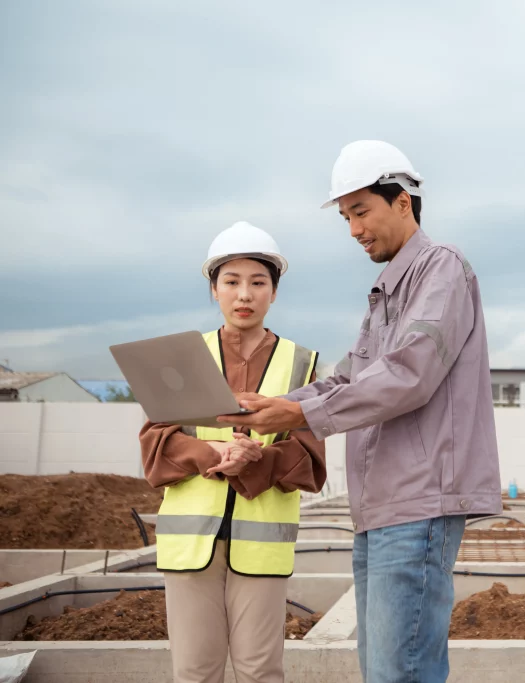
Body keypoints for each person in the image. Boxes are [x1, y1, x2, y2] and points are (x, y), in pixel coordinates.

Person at [218, 140, 501, 682]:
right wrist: (277, 406)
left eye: (361, 211)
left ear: (403, 202)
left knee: (401, 671)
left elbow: (409, 374)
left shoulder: (441, 269)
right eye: (346, 216)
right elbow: (347, 378)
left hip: (420, 500)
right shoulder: (387, 291)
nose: (353, 229)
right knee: (383, 670)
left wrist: (297, 418)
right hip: (383, 507)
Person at [139, 221, 327, 683]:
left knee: (261, 670)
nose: (245, 294)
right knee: (195, 671)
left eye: (258, 282)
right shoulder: (183, 357)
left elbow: (309, 460)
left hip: (261, 549)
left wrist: (256, 460)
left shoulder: (304, 363)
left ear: (274, 293)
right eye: (232, 282)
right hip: (190, 546)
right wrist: (214, 453)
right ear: (214, 290)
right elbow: (155, 445)